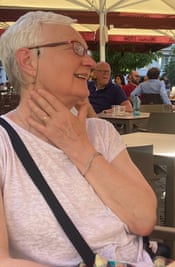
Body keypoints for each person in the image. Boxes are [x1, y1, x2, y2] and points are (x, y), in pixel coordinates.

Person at [0, 11, 158, 266]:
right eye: (76, 49)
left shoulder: (101, 132)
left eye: (87, 51)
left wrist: (78, 146)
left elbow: (143, 220)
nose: (90, 63)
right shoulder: (4, 145)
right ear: (28, 61)